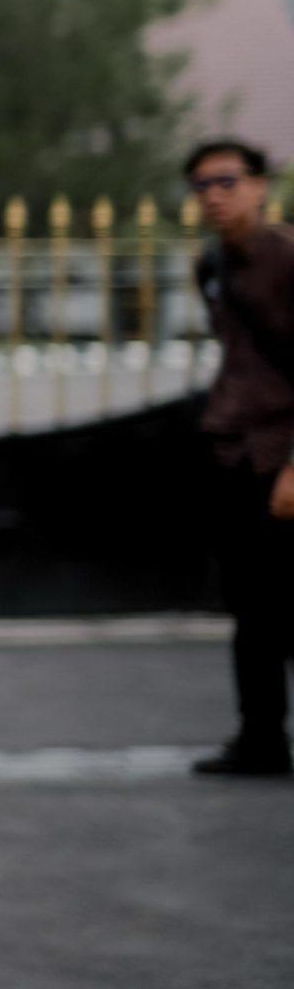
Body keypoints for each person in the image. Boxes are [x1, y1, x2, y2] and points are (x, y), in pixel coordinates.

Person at [183, 138, 294, 776]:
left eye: (227, 181)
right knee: (251, 611)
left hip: (283, 460)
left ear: (259, 185)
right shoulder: (214, 266)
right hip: (235, 458)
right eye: (202, 185)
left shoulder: (288, 260)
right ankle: (261, 739)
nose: (214, 196)